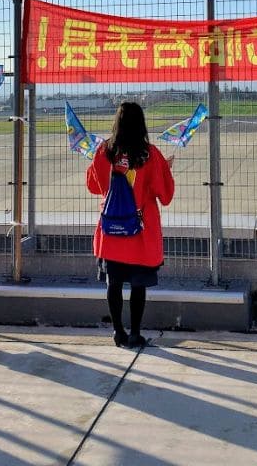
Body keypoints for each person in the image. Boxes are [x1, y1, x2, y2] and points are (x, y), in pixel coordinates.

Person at [87, 101, 174, 348]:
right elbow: (164, 195)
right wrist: (165, 170)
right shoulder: (150, 154)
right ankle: (135, 333)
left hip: (112, 231)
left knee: (113, 283)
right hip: (140, 232)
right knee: (138, 285)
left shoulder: (104, 151)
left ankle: (118, 331)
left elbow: (94, 186)